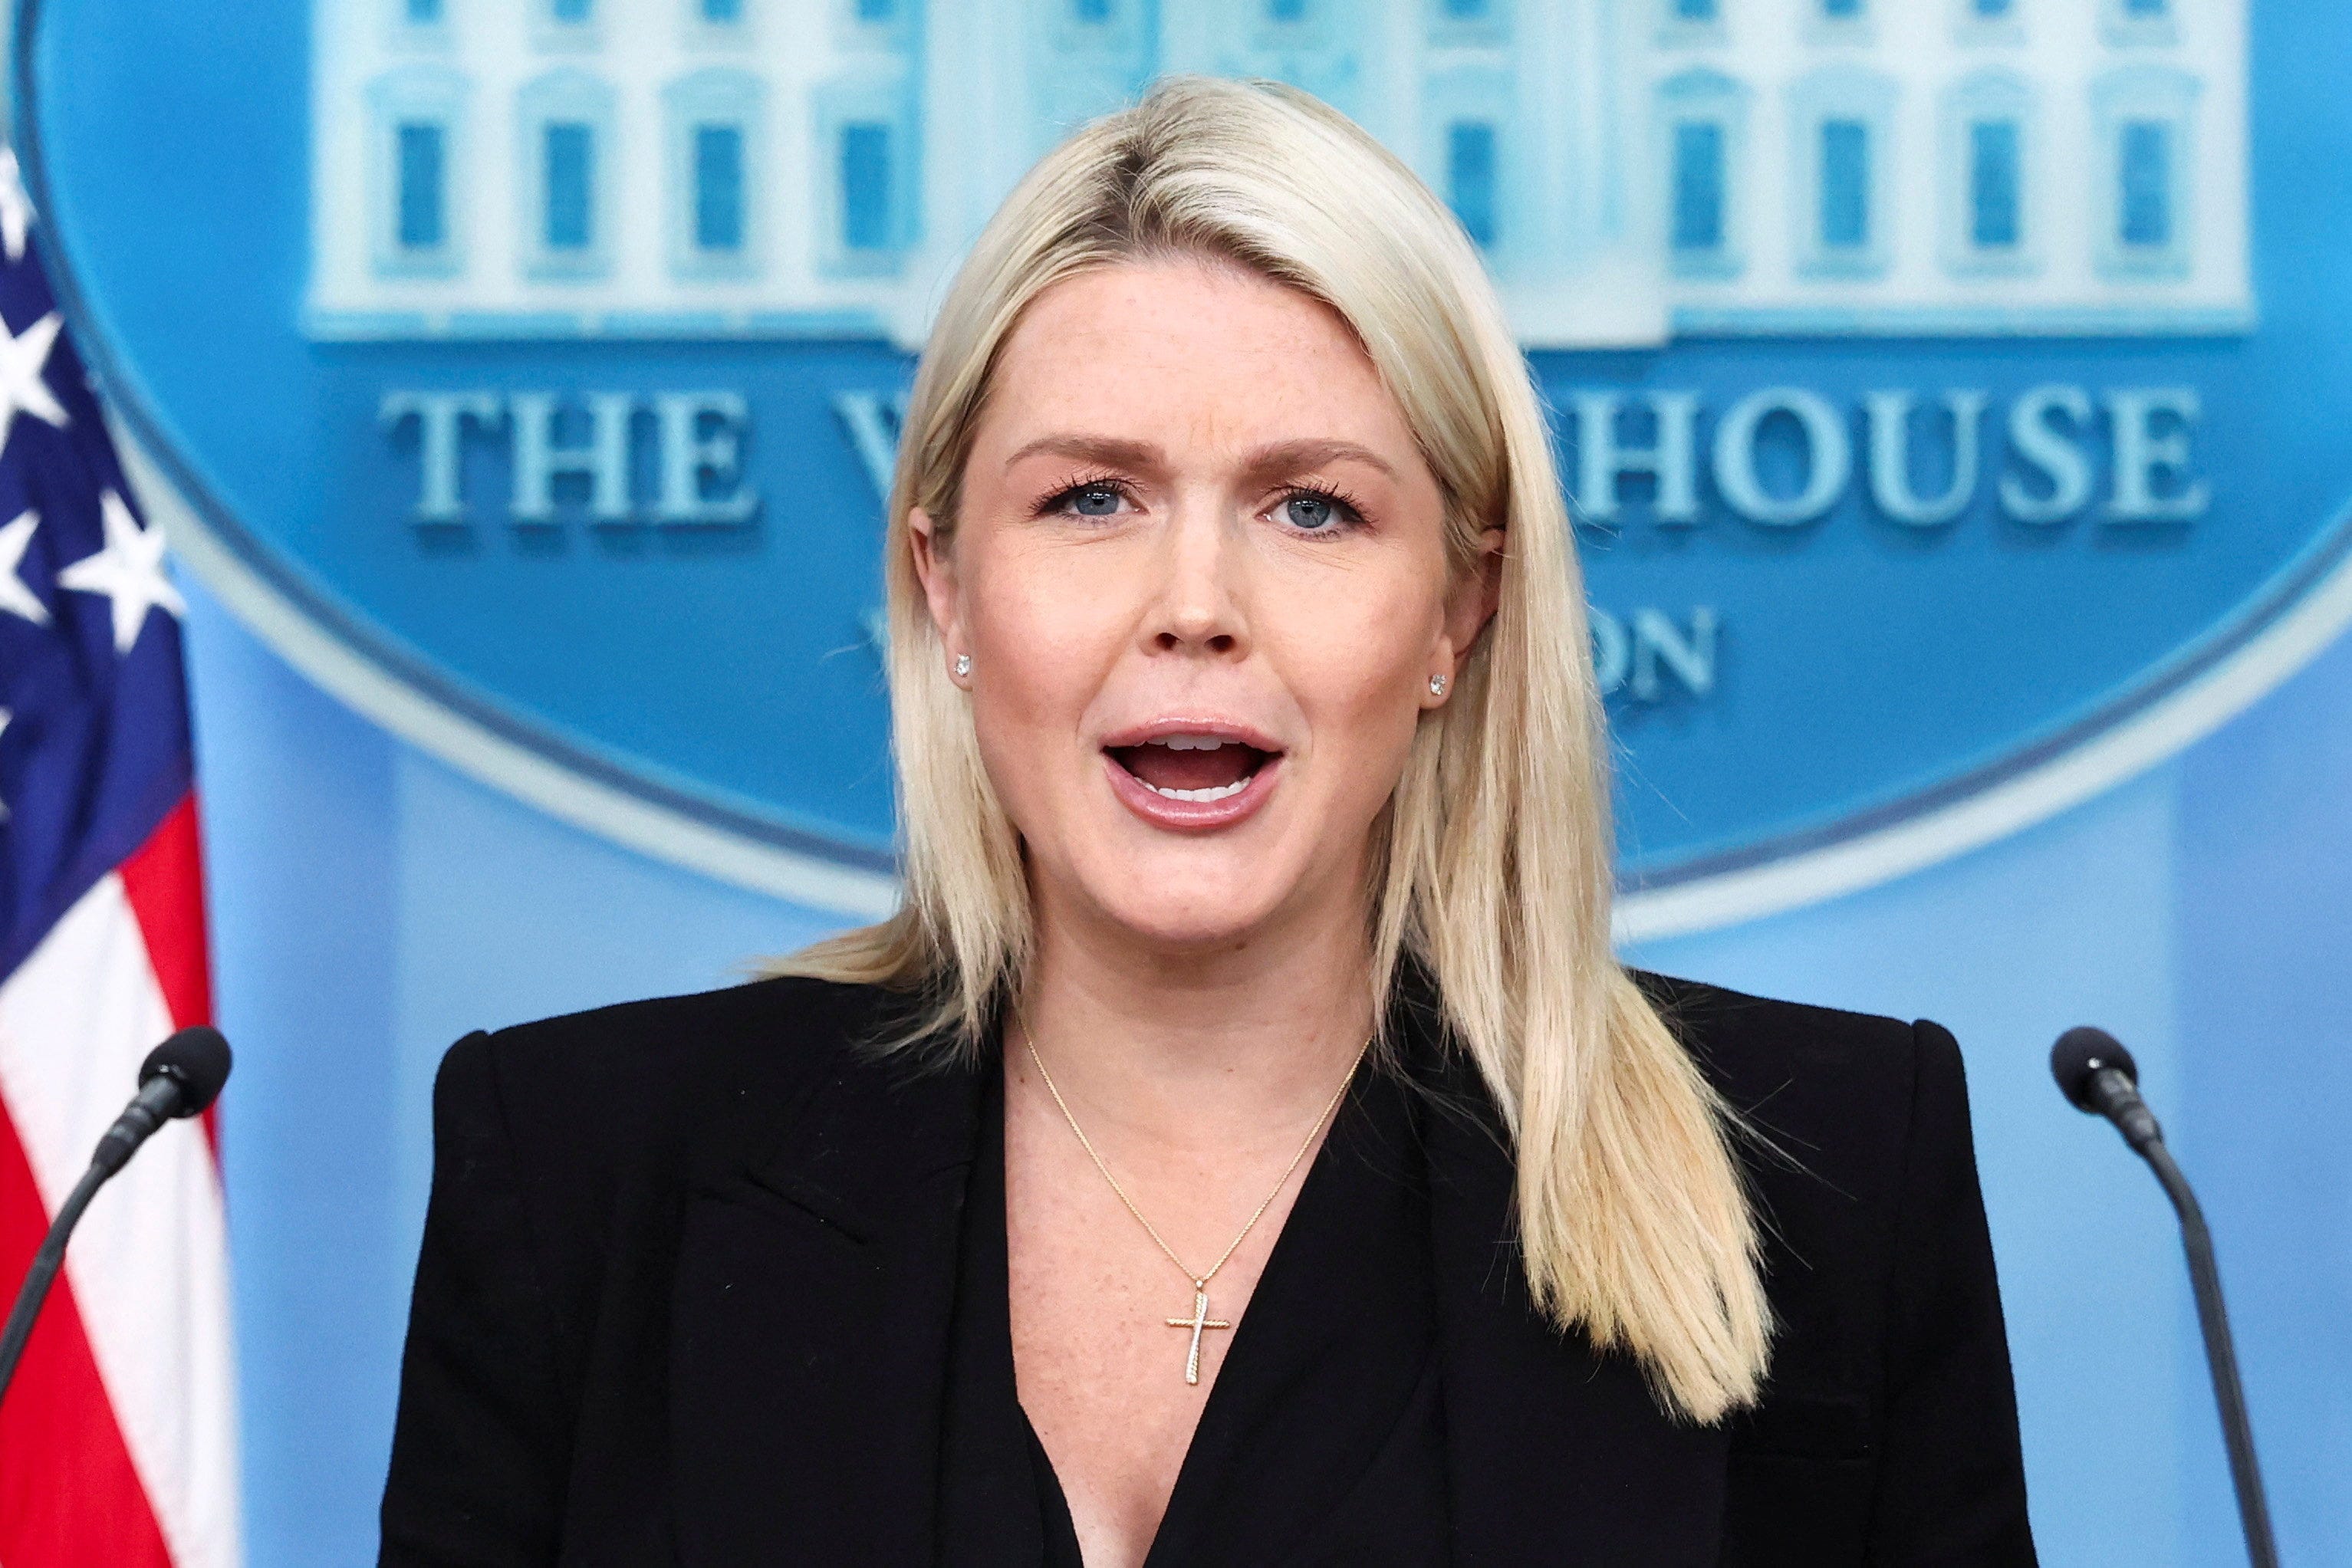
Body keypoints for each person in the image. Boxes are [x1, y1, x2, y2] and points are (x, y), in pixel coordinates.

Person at [380, 77, 2035, 1566]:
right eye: (1089, 499)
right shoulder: (584, 1174)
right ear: (946, 586)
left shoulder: (1826, 1175)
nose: (1195, 605)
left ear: (1458, 610)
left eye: (1311, 507)